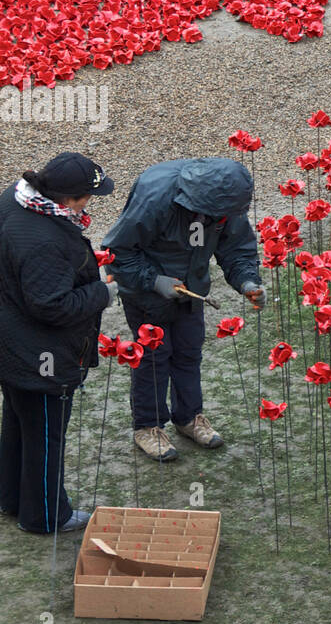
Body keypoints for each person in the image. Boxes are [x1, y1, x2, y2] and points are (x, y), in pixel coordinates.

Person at [0, 152, 117, 534]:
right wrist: (103, 291)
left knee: (18, 421)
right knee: (45, 432)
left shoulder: (14, 199)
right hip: (35, 354)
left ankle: (13, 499)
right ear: (68, 199)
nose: (90, 203)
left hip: (2, 339)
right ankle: (45, 516)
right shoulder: (46, 238)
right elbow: (52, 306)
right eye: (87, 196)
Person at [102, 158, 264, 462]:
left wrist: (247, 280)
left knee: (189, 352)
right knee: (153, 358)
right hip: (147, 292)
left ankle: (188, 417)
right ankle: (147, 426)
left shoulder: (226, 203)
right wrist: (154, 281)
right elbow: (116, 252)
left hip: (191, 289)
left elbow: (237, 247)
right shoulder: (156, 197)